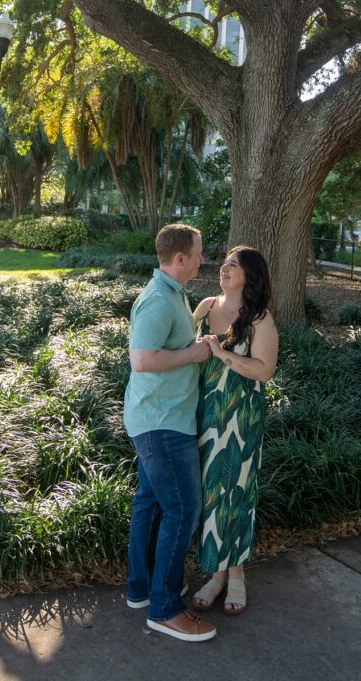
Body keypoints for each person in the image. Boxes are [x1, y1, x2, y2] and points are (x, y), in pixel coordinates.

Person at [124, 224, 217, 643]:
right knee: (183, 510)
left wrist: (198, 343)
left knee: (151, 504)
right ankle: (164, 609)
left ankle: (143, 590)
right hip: (162, 424)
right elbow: (142, 360)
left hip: (161, 417)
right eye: (198, 254)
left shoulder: (174, 293)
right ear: (180, 258)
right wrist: (194, 353)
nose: (203, 260)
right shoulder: (159, 299)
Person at [191, 246, 279, 616]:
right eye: (224, 263)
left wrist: (221, 352)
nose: (223, 269)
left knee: (235, 492)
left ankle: (235, 574)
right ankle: (216, 573)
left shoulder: (260, 319)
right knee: (208, 492)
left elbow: (263, 371)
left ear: (249, 276)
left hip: (239, 419)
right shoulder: (206, 306)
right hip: (198, 413)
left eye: (233, 265)